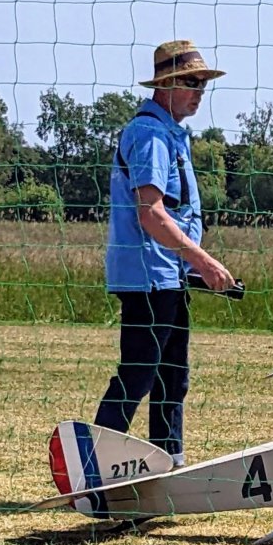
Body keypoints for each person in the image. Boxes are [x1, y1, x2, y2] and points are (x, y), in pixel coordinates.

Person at [95, 40, 235, 468]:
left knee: (173, 376)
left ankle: (169, 465)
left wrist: (188, 264)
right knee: (139, 372)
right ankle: (94, 462)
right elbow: (151, 215)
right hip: (148, 277)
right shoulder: (151, 135)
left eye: (203, 84)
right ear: (166, 84)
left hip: (168, 276)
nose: (199, 92)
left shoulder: (172, 134)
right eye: (191, 82)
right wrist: (204, 261)